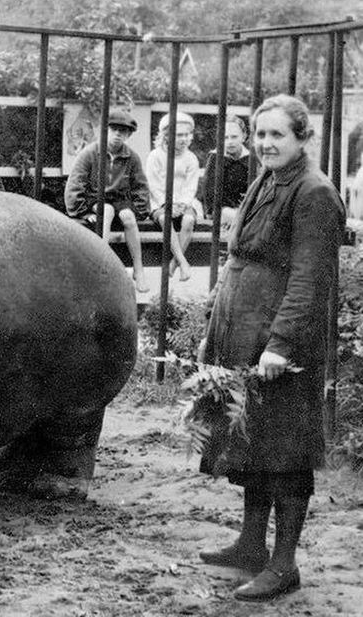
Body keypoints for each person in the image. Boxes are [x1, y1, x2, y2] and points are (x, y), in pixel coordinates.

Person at [196, 94, 344, 602]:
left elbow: (309, 279)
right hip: (243, 331)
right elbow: (239, 256)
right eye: (260, 134)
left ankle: (284, 564)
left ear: (303, 138)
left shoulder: (314, 192)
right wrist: (216, 323)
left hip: (282, 345)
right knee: (252, 438)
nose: (265, 144)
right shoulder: (267, 178)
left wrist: (279, 345)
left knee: (284, 449)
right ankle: (250, 546)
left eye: (277, 135)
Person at [64, 109, 151, 292]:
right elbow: (75, 182)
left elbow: (141, 185)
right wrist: (83, 210)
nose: (118, 135)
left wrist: (140, 209)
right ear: (105, 130)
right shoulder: (90, 152)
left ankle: (138, 269)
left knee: (128, 216)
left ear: (128, 135)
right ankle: (102, 262)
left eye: (123, 131)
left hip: (120, 199)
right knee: (107, 211)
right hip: (96, 198)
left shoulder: (131, 157)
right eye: (114, 130)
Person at [146, 111, 201, 281]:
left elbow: (191, 186)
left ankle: (173, 264)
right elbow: (153, 185)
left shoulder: (191, 158)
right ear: (167, 135)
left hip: (184, 204)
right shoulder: (155, 156)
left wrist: (183, 204)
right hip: (160, 204)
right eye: (178, 135)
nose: (183, 139)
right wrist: (166, 204)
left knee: (189, 220)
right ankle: (183, 262)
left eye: (186, 135)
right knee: (164, 219)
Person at [202, 115, 251, 235]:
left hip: (244, 208)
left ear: (244, 136)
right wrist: (211, 212)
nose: (230, 142)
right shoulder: (215, 157)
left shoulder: (250, 159)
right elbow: (208, 189)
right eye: (225, 137)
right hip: (221, 209)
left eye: (234, 137)